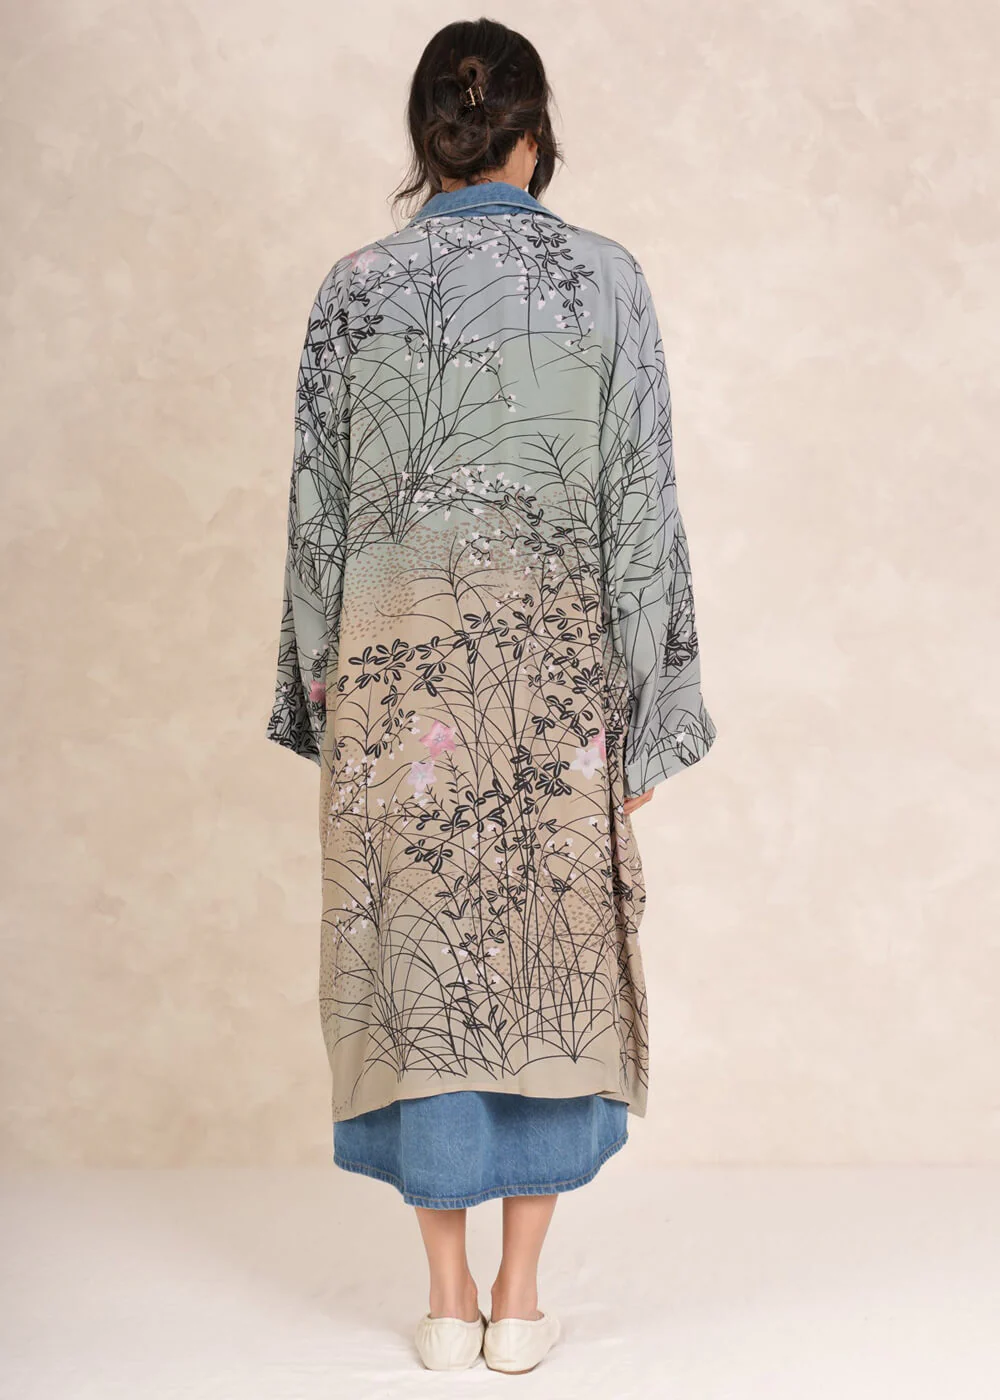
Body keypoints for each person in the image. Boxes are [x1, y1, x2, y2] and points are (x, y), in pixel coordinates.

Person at [265, 17, 717, 1375]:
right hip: (553, 702)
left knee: (422, 971)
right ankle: (522, 1298)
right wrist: (648, 713)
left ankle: (446, 1297)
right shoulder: (607, 282)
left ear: (428, 138)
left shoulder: (352, 290)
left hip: (396, 700)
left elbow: (317, 525)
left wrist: (327, 708)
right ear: (532, 135)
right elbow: (641, 514)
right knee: (545, 968)